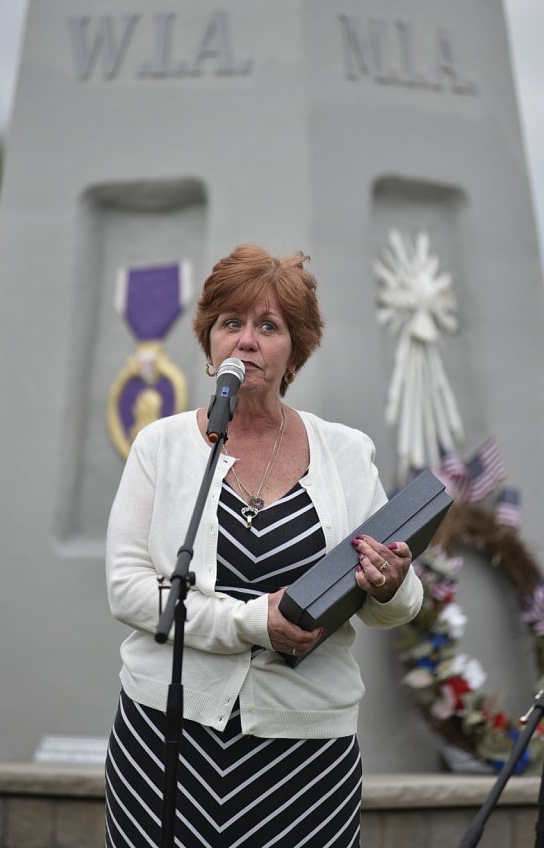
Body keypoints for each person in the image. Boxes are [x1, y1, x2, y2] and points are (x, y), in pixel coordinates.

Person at [104, 243, 423, 848]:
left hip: (305, 755)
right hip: (168, 739)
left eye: (268, 326)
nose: (246, 341)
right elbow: (129, 591)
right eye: (232, 323)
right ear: (210, 341)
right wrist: (255, 622)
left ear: (293, 350)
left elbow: (399, 604)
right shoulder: (161, 446)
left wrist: (390, 582)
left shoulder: (347, 454)